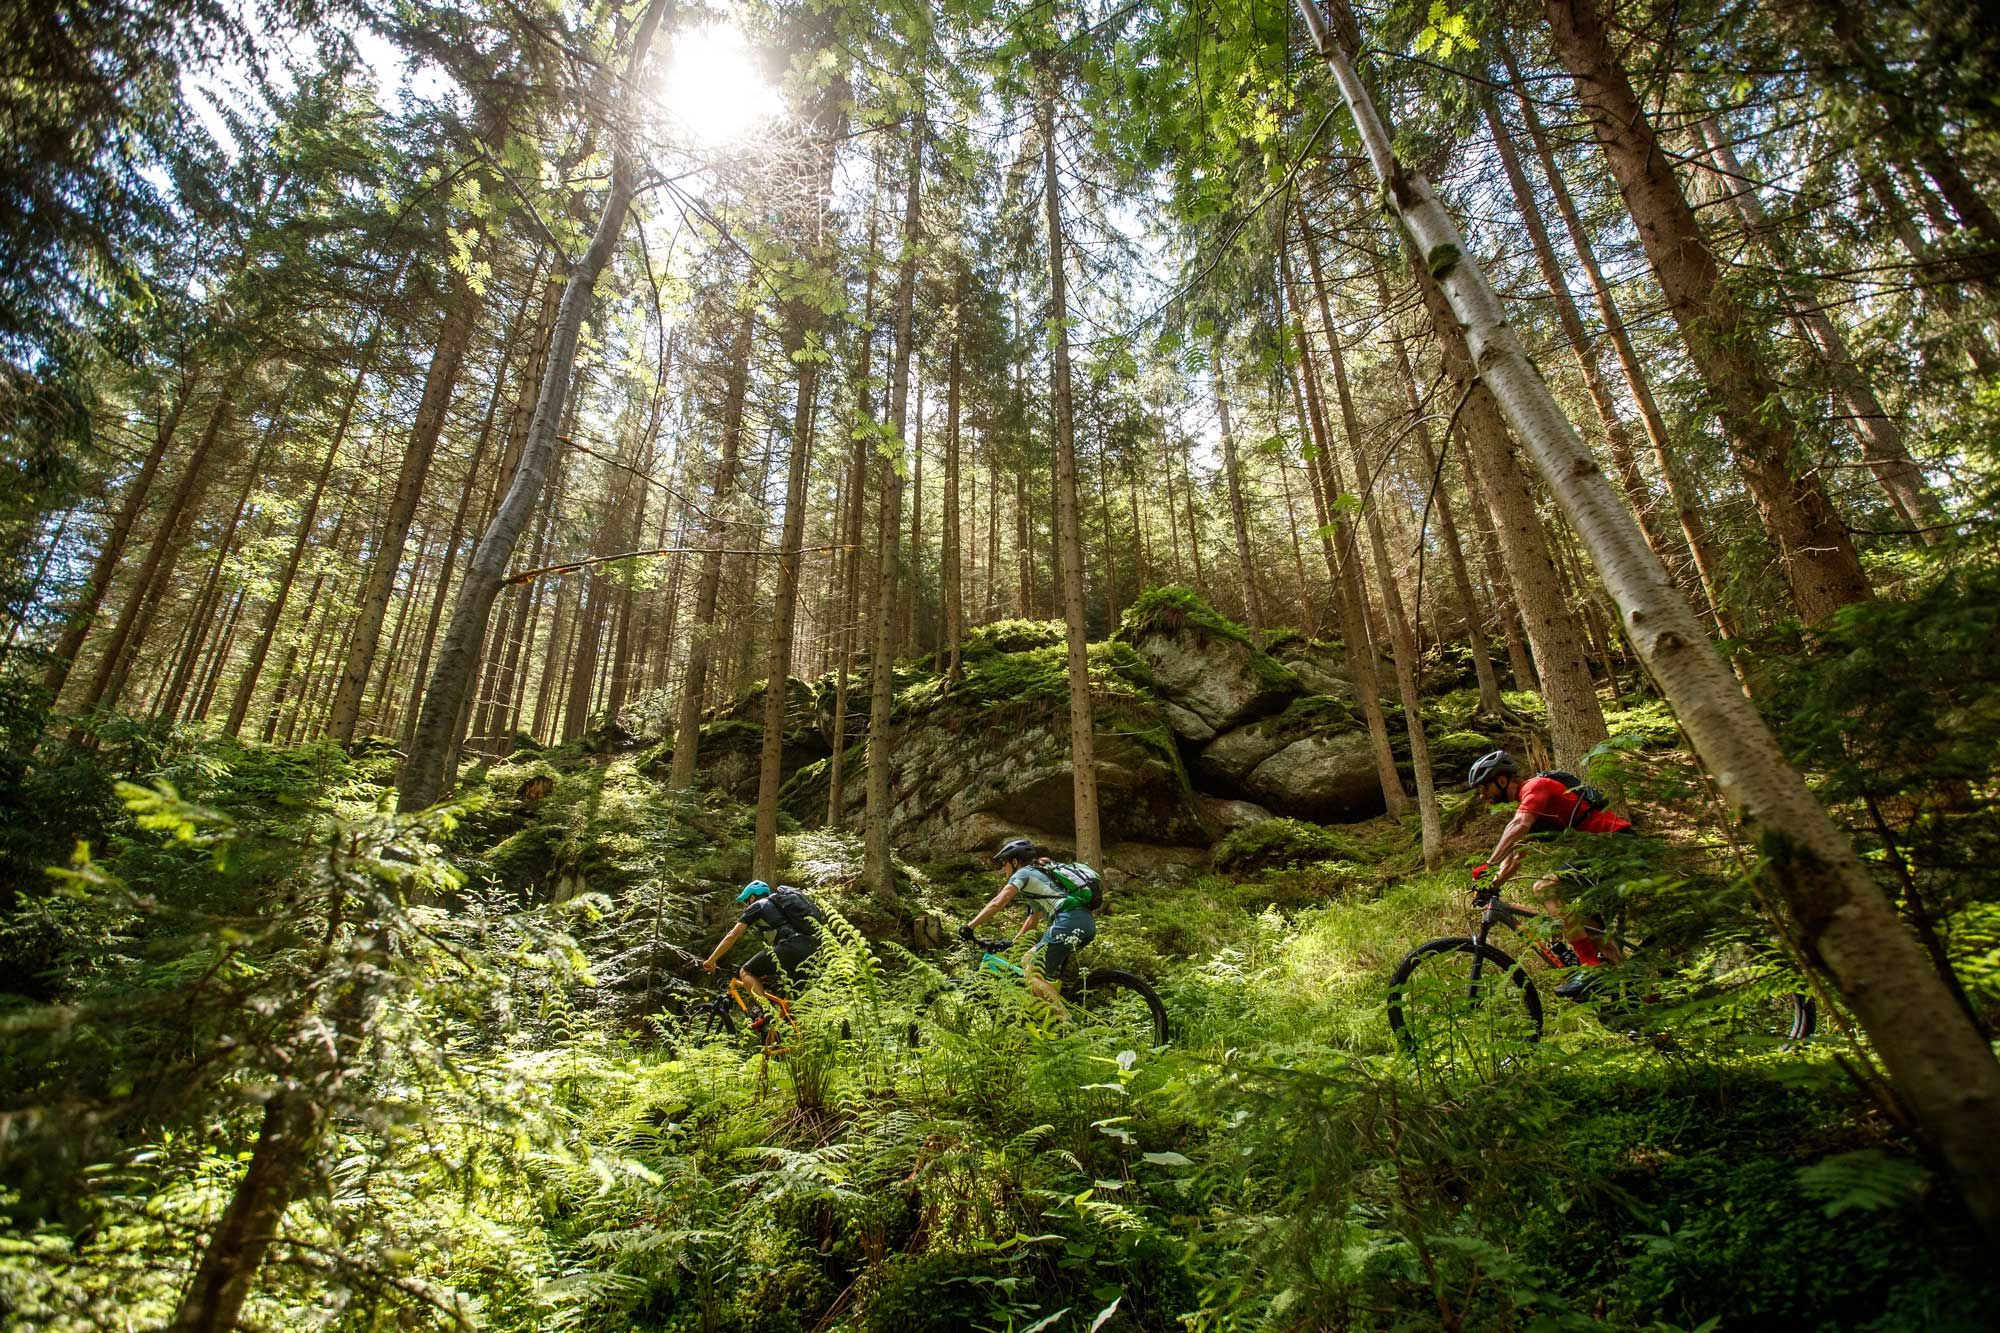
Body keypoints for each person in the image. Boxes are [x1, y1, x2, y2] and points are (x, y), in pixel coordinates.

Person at [1467, 750, 1636, 997]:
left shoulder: (1536, 787)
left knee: (1546, 887)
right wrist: (1492, 883)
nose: (1484, 796)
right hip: (1599, 852)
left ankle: (1590, 967)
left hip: (1615, 845)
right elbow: (1516, 854)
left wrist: (1489, 863)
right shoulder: (1531, 806)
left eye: (1484, 789)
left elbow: (1518, 826)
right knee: (1597, 936)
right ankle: (1641, 1004)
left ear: (1501, 781)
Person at [960, 836, 1095, 1013]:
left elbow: (998, 902)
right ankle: (1049, 1020)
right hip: (1085, 922)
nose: (1003, 869)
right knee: (1038, 977)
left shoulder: (1022, 874)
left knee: (1030, 965)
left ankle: (1065, 1025)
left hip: (1069, 920)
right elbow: (1033, 919)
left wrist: (969, 927)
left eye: (1004, 864)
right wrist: (1014, 944)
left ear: (1014, 862)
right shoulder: (1039, 877)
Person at [701, 880, 824, 1019]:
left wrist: (711, 960)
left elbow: (733, 935)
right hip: (811, 949)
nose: (746, 905)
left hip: (791, 946)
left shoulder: (758, 905)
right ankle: (783, 1036)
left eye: (746, 901)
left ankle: (766, 1012)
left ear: (752, 897)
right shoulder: (780, 908)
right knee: (788, 1005)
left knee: (745, 971)